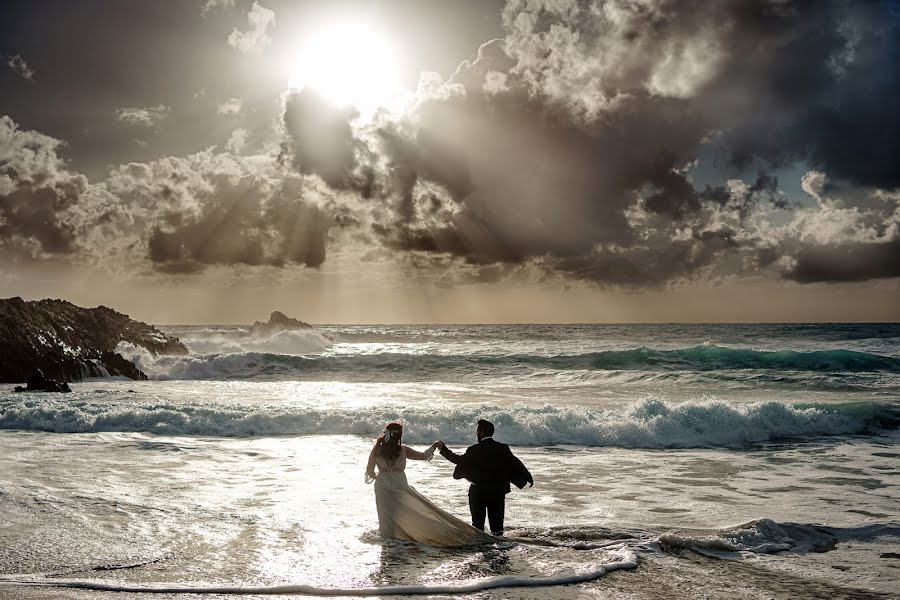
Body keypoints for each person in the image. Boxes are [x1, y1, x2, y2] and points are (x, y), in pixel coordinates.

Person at [365, 422, 495, 547]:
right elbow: (423, 456)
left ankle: (388, 538)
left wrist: (384, 476)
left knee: (386, 514)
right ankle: (401, 537)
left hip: (382, 487)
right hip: (400, 486)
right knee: (406, 510)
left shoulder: (377, 450)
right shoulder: (403, 451)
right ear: (399, 436)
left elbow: (370, 472)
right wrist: (434, 446)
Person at [436, 419, 533, 536]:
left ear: (481, 432)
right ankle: (500, 550)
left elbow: (458, 460)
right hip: (497, 492)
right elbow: (516, 463)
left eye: (477, 431)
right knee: (497, 529)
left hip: (478, 492)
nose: (476, 433)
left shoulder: (473, 450)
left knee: (478, 527)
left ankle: (481, 548)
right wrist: (528, 477)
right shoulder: (503, 448)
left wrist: (443, 449)